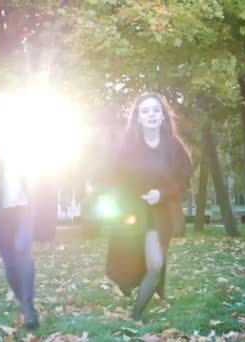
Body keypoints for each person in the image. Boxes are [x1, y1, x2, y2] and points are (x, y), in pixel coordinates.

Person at [104, 92, 192, 321]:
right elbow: (116, 178)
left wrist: (161, 194)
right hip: (132, 213)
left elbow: (184, 183)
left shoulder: (174, 147)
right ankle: (130, 283)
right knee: (127, 260)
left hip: (160, 214)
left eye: (155, 110)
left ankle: (136, 314)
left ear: (163, 116)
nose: (151, 115)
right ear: (138, 118)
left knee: (155, 264)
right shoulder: (127, 146)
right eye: (145, 111)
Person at [0, 119, 57, 329]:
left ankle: (28, 305)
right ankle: (22, 298)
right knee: (9, 261)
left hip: (24, 210)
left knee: (22, 248)